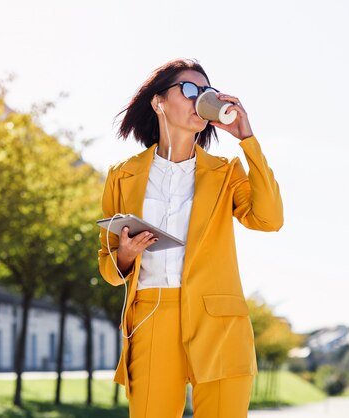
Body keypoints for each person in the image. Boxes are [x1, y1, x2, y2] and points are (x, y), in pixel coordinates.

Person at [98, 58, 283, 418]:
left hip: (219, 323)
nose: (200, 98)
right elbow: (107, 267)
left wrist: (247, 138)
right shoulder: (122, 176)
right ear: (158, 102)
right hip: (151, 316)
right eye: (189, 89)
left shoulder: (225, 173)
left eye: (206, 92)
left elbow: (269, 219)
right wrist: (125, 254)